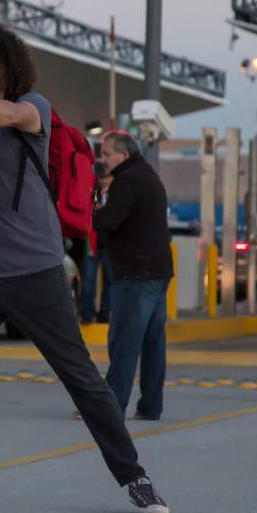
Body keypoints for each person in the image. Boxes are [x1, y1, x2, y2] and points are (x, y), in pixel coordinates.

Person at [0, 23, 167, 513]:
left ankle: (135, 478)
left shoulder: (33, 107)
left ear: (7, 67)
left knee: (83, 380)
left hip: (36, 273)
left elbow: (10, 114)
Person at [93, 131, 174, 422]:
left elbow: (110, 220)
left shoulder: (127, 180)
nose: (102, 160)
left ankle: (111, 407)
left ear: (123, 155)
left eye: (106, 154)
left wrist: (86, 213)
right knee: (153, 342)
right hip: (158, 270)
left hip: (136, 273)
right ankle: (151, 406)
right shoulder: (146, 173)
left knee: (124, 341)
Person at [80, 171, 114, 324]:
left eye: (107, 178)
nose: (105, 182)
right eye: (102, 178)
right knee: (88, 281)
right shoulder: (92, 195)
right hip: (92, 246)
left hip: (110, 246)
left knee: (110, 281)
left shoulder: (117, 196)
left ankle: (104, 314)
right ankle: (87, 315)